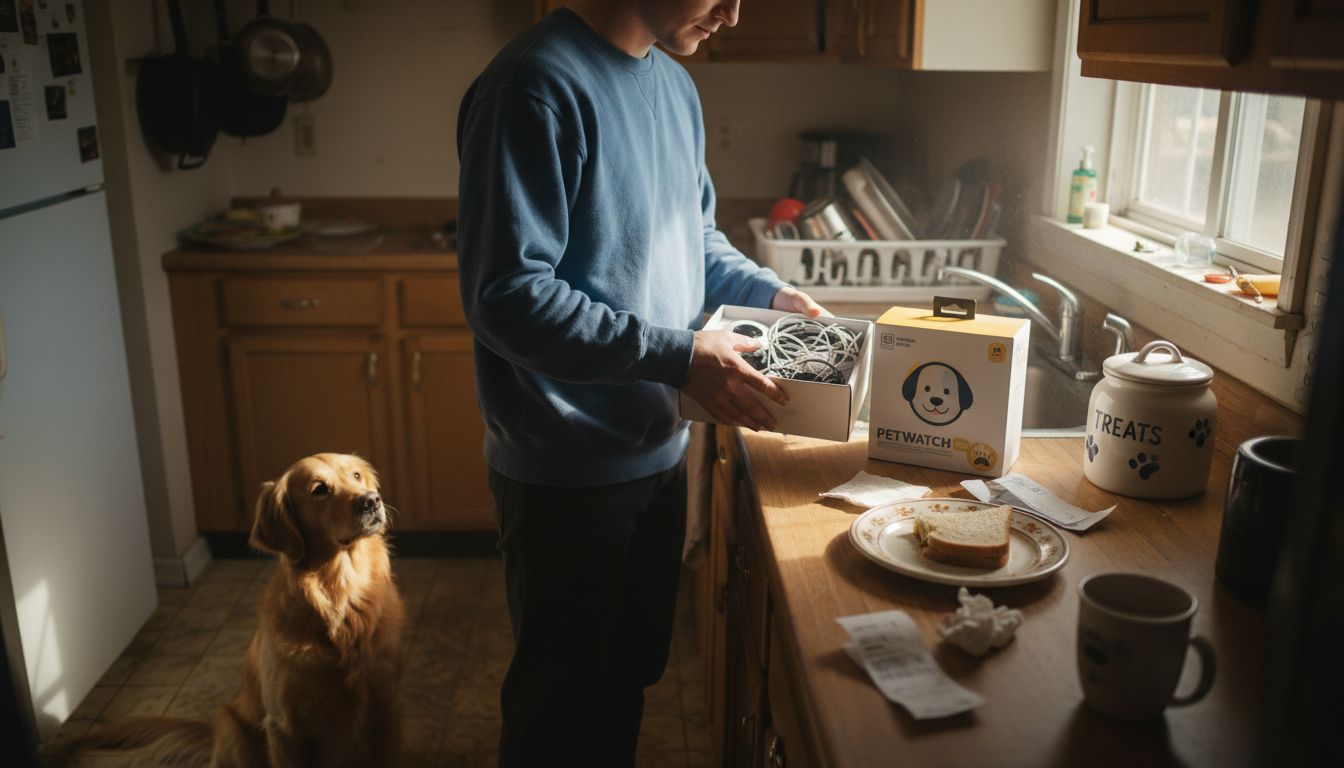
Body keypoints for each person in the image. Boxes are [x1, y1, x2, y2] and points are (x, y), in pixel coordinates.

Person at [455, 1, 825, 764]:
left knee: (623, 683)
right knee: (559, 712)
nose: (732, 13)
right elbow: (508, 297)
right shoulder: (532, 85)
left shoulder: (674, 85)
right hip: (566, 468)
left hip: (657, 449)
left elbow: (693, 238)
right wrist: (679, 356)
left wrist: (772, 295)